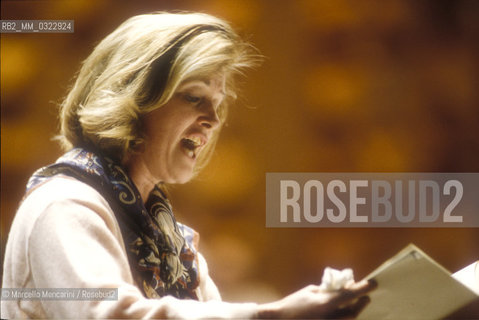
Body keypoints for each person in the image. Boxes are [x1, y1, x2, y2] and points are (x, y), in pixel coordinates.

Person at [1, 12, 375, 319]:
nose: (213, 119)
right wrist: (274, 314)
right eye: (194, 97)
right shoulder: (64, 204)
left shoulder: (173, 240)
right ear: (131, 100)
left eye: (217, 102)